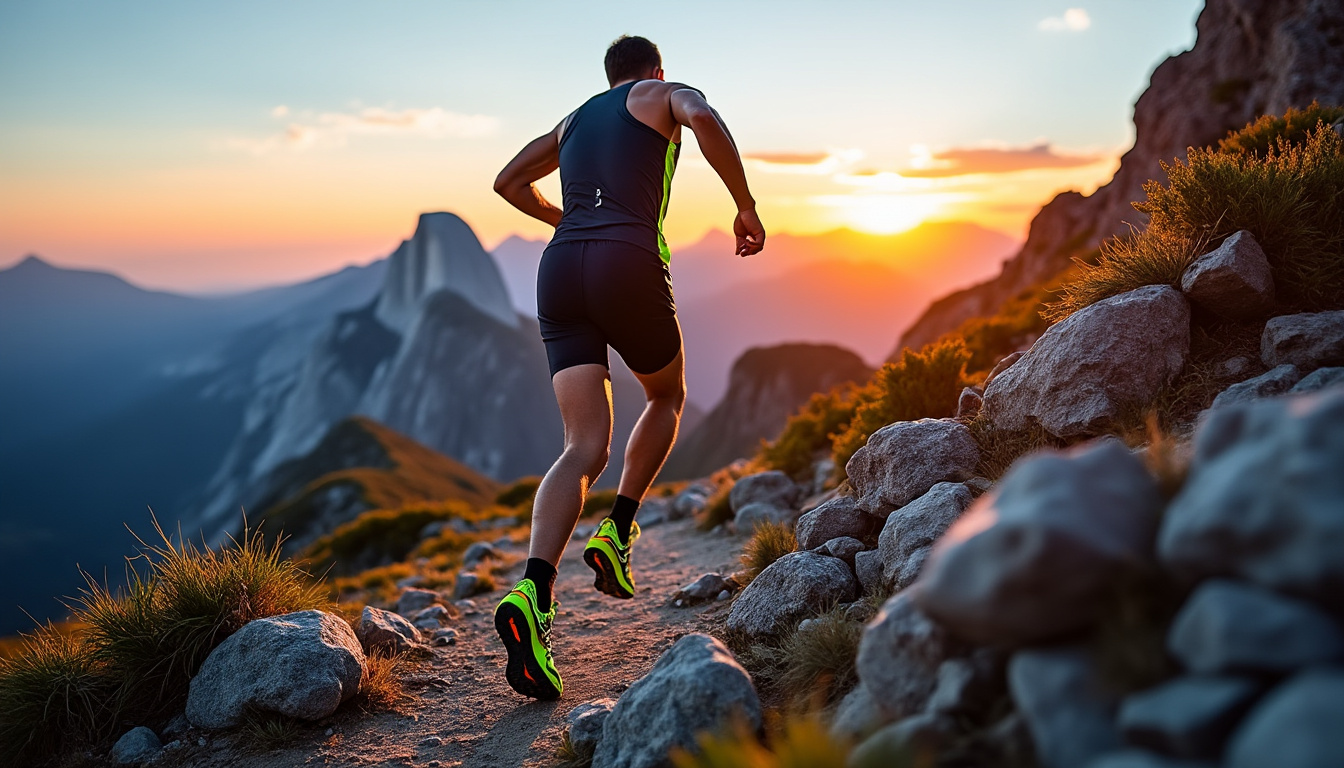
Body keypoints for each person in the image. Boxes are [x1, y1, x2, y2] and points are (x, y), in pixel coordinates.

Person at [490, 35, 764, 700]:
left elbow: (507, 183)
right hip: (628, 263)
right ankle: (617, 527)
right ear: (655, 70)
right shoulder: (664, 94)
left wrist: (562, 219)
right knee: (667, 396)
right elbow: (704, 117)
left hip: (560, 269)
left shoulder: (573, 119)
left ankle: (533, 590)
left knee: (582, 447)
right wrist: (745, 204)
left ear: (607, 75)